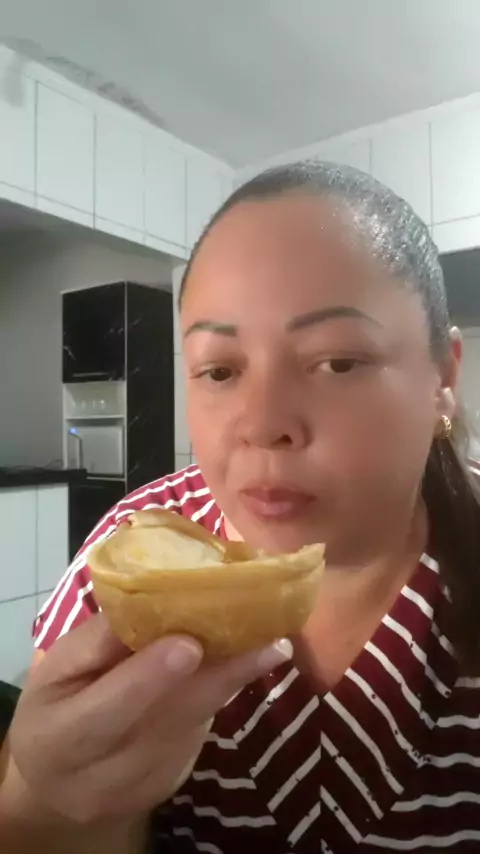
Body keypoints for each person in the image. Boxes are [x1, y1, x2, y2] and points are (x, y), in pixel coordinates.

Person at [1, 160, 480, 854]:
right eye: (220, 370)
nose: (261, 424)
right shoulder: (134, 554)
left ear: (443, 377)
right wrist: (50, 814)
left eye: (338, 362)